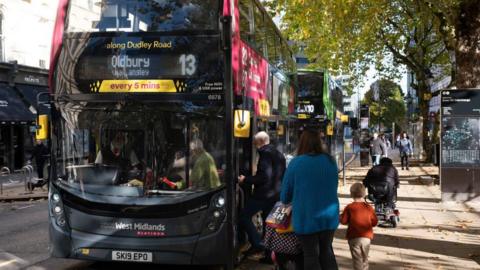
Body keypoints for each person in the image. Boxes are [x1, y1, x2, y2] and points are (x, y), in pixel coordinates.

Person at [281, 130, 339, 270]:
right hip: (329, 216)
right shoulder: (330, 161)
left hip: (306, 217)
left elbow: (285, 196)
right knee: (327, 252)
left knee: (311, 255)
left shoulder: (296, 163)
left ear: (302, 143)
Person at [238, 131, 286, 259]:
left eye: (254, 143)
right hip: (277, 194)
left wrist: (245, 179)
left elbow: (264, 176)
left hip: (264, 195)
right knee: (270, 225)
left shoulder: (265, 154)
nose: (254, 146)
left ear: (260, 142)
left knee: (244, 216)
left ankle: (258, 244)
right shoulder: (278, 154)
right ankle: (269, 256)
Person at [340, 183, 378, 270]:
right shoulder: (369, 207)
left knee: (357, 259)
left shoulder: (349, 207)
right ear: (364, 194)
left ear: (351, 194)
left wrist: (340, 217)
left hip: (354, 237)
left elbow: (343, 221)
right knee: (365, 258)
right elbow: (375, 222)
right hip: (366, 237)